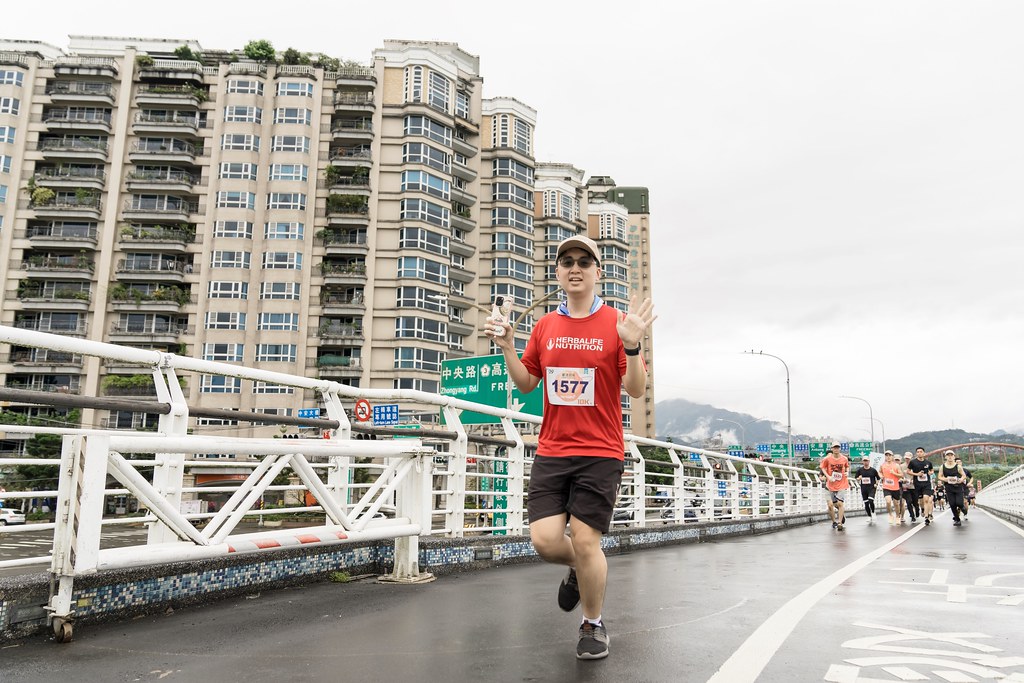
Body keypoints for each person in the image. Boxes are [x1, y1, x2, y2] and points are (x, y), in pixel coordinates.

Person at [486, 234, 656, 661]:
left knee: (585, 541)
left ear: (598, 272)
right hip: (552, 450)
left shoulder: (617, 324)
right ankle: (581, 571)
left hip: (600, 451)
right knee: (544, 541)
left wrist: (633, 345)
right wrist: (507, 346)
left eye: (584, 260)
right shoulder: (545, 326)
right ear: (559, 273)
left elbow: (636, 390)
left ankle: (593, 624)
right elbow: (526, 383)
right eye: (567, 261)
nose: (575, 267)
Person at [820, 442, 850, 531]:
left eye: (838, 447)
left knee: (840, 503)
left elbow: (847, 466)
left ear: (840, 448)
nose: (836, 449)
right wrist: (828, 477)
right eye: (834, 447)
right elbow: (822, 467)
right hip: (830, 485)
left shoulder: (844, 458)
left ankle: (840, 522)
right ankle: (837, 518)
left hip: (842, 483)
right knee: (832, 504)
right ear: (832, 449)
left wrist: (847, 472)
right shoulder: (827, 459)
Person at [937, 450, 968, 526]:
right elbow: (939, 476)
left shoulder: (958, 466)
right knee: (952, 504)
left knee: (959, 503)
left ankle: (963, 509)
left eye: (951, 455)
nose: (950, 456)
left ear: (954, 456)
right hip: (949, 487)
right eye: (948, 455)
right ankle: (957, 519)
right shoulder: (942, 466)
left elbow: (964, 475)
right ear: (946, 457)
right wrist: (946, 479)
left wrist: (961, 479)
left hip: (958, 487)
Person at [907, 447, 935, 526]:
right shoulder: (913, 462)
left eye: (921, 452)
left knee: (926, 498)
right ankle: (923, 509)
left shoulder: (928, 462)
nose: (919, 453)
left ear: (924, 453)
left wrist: (931, 473)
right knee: (921, 501)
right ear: (916, 453)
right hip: (917, 484)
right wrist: (917, 474)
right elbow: (908, 471)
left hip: (927, 484)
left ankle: (926, 517)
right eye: (918, 452)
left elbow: (932, 470)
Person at [853, 456, 880, 523]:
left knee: (871, 500)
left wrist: (876, 484)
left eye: (867, 461)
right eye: (864, 461)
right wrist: (859, 478)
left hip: (872, 488)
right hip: (864, 488)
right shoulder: (860, 470)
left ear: (869, 461)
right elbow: (856, 478)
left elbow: (878, 478)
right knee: (866, 503)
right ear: (862, 462)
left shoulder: (873, 470)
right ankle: (869, 516)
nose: (865, 462)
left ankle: (873, 512)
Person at [879, 450, 903, 525]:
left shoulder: (896, 465)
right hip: (886, 486)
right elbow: (879, 472)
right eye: (887, 455)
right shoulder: (883, 465)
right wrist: (881, 476)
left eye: (890, 455)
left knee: (896, 504)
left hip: (895, 487)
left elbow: (901, 475)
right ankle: (890, 515)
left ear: (892, 456)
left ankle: (898, 516)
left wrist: (894, 473)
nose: (888, 457)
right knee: (888, 501)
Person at [900, 452, 919, 523]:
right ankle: (912, 516)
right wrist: (902, 479)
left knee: (915, 503)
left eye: (908, 458)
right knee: (908, 501)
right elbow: (900, 475)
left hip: (914, 487)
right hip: (906, 487)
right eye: (906, 458)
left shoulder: (915, 465)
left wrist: (913, 480)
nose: (907, 460)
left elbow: (918, 475)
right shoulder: (902, 466)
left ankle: (917, 510)